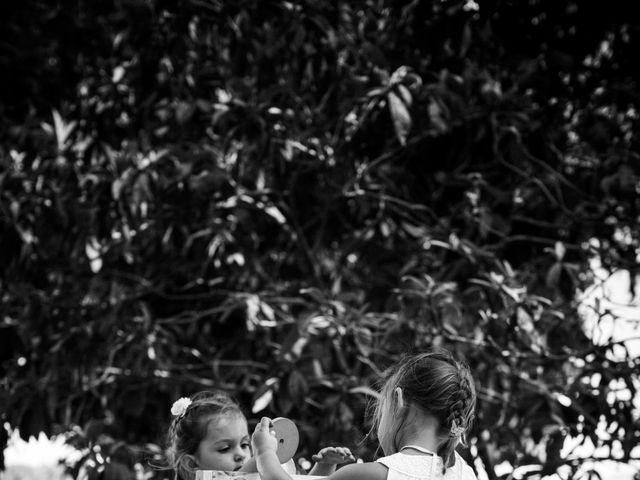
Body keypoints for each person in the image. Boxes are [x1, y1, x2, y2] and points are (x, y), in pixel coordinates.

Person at [251, 349, 478, 480]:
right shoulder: (466, 475)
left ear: (398, 401)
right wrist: (323, 471)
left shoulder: (374, 474)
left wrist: (264, 453)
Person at [165, 390, 354, 480]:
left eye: (245, 444)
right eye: (224, 448)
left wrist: (324, 467)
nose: (240, 454)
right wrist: (263, 452)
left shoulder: (262, 468)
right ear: (192, 463)